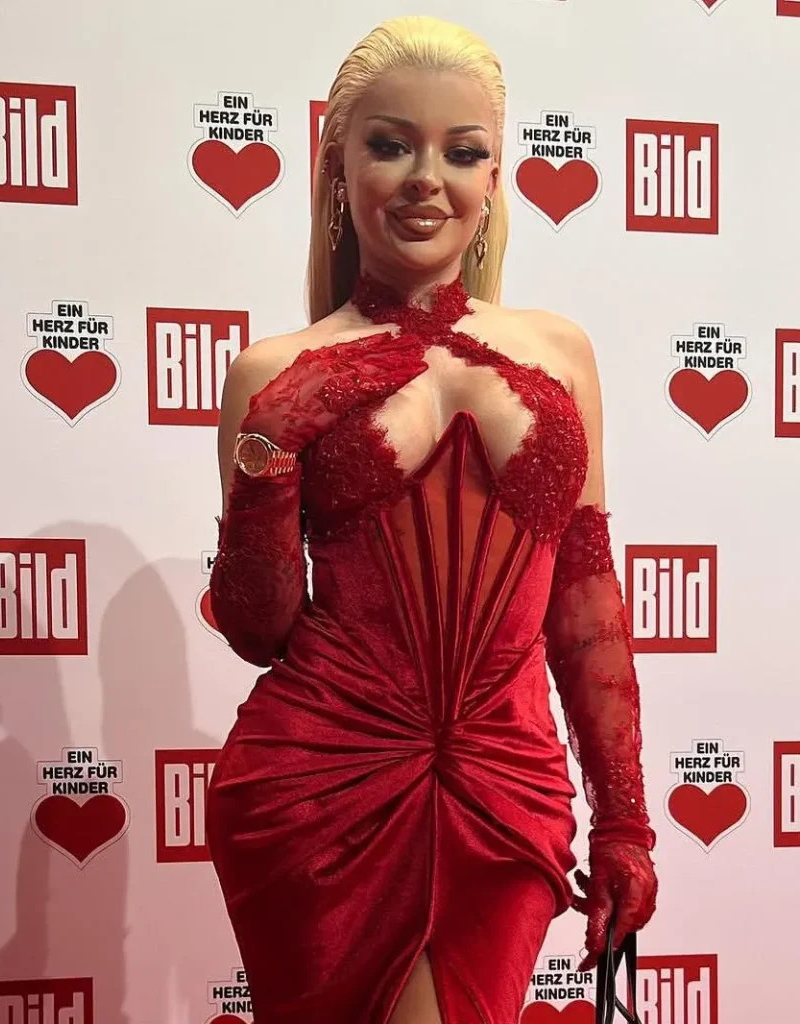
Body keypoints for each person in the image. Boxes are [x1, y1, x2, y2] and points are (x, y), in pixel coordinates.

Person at [205, 15, 657, 1024]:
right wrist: (268, 452)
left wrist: (623, 823)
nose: (425, 179)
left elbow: (584, 598)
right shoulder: (270, 371)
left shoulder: (560, 352)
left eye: (461, 152)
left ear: (494, 177)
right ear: (337, 168)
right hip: (318, 785)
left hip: (506, 781)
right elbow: (257, 628)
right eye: (389, 145)